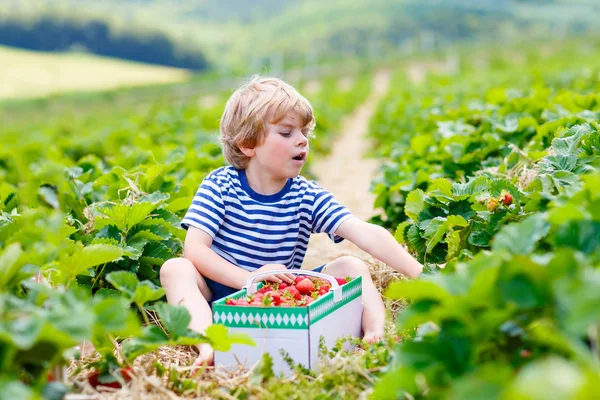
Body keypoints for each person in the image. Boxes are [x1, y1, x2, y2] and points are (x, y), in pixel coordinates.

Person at [160, 75, 423, 368]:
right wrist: (248, 279)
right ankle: (207, 345)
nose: (302, 140)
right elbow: (194, 250)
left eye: (304, 132)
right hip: (220, 288)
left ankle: (374, 333)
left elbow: (363, 232)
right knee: (176, 268)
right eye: (286, 133)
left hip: (283, 294)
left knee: (351, 266)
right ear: (248, 144)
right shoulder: (220, 185)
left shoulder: (305, 195)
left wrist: (420, 274)